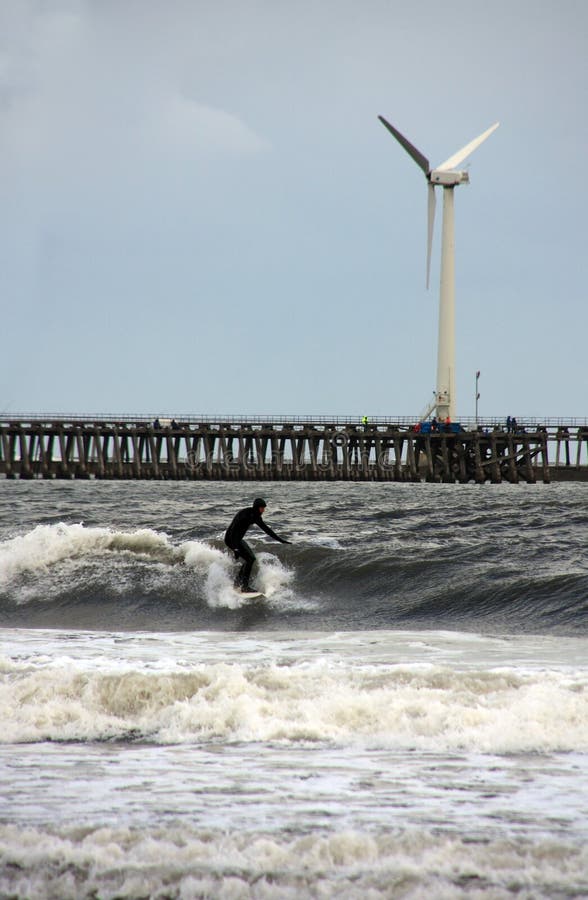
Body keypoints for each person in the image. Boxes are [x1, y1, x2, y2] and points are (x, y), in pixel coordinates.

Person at [224, 498, 290, 592]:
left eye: (264, 508)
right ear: (256, 507)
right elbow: (233, 530)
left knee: (250, 558)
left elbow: (267, 530)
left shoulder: (256, 517)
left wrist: (281, 540)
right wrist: (235, 548)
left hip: (238, 540)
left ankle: (238, 583)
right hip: (231, 539)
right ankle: (244, 587)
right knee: (250, 559)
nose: (263, 510)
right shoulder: (245, 514)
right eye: (262, 508)